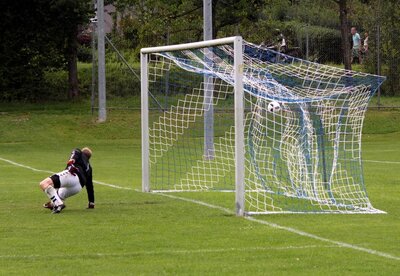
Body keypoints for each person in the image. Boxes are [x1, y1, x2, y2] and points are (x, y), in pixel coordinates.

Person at [39, 147, 94, 214]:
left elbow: (76, 152)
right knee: (57, 195)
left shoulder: (79, 152)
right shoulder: (89, 168)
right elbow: (89, 186)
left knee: (44, 183)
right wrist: (91, 203)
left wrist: (71, 161)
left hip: (72, 176)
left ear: (83, 153)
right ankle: (54, 204)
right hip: (77, 188)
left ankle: (58, 204)